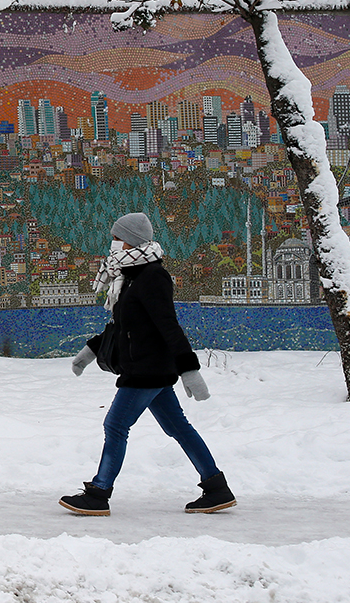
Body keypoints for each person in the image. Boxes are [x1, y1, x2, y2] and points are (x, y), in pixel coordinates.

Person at [61, 212, 236, 516]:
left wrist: (189, 369)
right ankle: (217, 489)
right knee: (179, 428)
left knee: (115, 425)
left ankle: (99, 493)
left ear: (132, 240)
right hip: (146, 367)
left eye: (118, 238)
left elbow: (168, 325)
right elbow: (123, 326)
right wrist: (91, 350)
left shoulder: (153, 277)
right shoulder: (129, 276)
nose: (113, 244)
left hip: (147, 370)